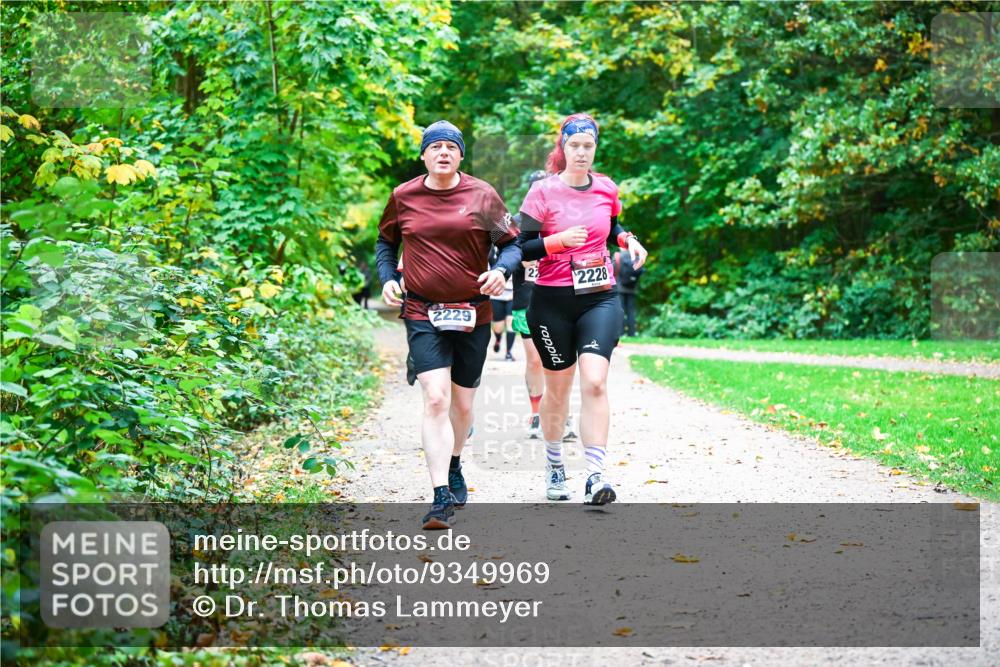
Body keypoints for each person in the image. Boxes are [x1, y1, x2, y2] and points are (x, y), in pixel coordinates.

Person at [375, 120, 521, 529]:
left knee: (462, 404)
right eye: (434, 146)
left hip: (473, 311)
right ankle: (440, 497)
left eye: (450, 147)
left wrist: (502, 272)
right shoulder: (403, 197)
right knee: (436, 399)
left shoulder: (483, 195)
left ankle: (455, 461)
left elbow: (512, 245)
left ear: (460, 155)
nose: (442, 152)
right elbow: (386, 243)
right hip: (422, 310)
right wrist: (388, 277)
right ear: (423, 155)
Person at [517, 113, 648, 504]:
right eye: (574, 145)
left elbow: (612, 227)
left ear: (595, 148)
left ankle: (595, 474)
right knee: (557, 389)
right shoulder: (541, 192)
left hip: (600, 296)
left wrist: (630, 241)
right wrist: (556, 242)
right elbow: (520, 247)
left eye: (588, 145)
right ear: (563, 147)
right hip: (551, 301)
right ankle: (555, 464)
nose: (581, 152)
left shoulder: (606, 188)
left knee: (594, 381)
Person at [613, 249, 644, 336]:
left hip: (620, 288)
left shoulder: (618, 255)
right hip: (632, 288)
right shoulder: (636, 256)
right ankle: (632, 332)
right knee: (631, 311)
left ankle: (621, 332)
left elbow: (613, 269)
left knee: (620, 310)